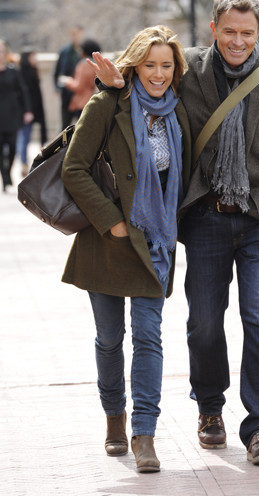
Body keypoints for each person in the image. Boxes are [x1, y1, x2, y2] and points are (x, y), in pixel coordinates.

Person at [92, 0, 259, 466]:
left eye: (247, 33)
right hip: (206, 218)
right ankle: (210, 407)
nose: (238, 41)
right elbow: (141, 89)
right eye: (229, 31)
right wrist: (107, 86)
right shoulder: (187, 68)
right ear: (214, 28)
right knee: (206, 322)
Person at [61, 25, 191, 473]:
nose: (158, 73)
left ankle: (144, 434)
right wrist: (112, 221)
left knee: (149, 337)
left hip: (154, 243)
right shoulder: (107, 104)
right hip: (109, 242)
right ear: (134, 66)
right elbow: (74, 169)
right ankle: (114, 415)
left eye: (166, 65)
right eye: (149, 64)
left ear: (176, 69)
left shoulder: (178, 111)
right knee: (110, 339)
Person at [0, 39, 33, 192]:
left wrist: (27, 110)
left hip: (13, 114)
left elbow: (23, 91)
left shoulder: (13, 71)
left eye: (2, 52)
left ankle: (8, 172)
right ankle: (5, 179)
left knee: (13, 147)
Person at [16, 47, 48, 177]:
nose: (35, 59)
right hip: (27, 109)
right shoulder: (21, 73)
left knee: (35, 135)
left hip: (36, 108)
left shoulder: (34, 70)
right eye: (32, 56)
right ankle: (23, 163)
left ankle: (40, 162)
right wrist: (27, 110)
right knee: (24, 137)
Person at [58, 38, 101, 122]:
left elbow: (78, 86)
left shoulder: (84, 64)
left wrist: (66, 81)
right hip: (92, 100)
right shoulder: (96, 63)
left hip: (82, 102)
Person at [53, 24, 84, 129]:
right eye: (72, 34)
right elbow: (57, 72)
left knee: (82, 126)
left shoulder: (85, 50)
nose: (74, 36)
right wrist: (58, 88)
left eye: (76, 34)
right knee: (65, 126)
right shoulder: (64, 51)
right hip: (66, 94)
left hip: (81, 95)